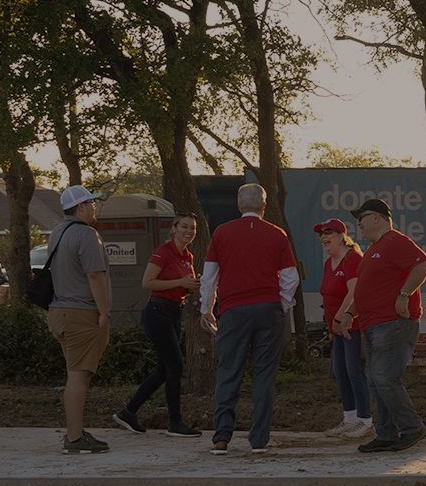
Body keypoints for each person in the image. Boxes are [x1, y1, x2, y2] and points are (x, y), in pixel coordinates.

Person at [199, 182, 298, 456]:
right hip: (268, 309)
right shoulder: (277, 234)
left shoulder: (221, 233)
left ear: (239, 205)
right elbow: (291, 278)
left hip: (233, 311)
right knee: (264, 375)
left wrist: (206, 309)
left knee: (229, 371)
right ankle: (259, 440)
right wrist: (281, 304)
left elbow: (209, 277)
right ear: (263, 206)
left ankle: (221, 438)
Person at [335, 197, 426, 454]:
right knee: (376, 381)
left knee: (384, 377)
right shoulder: (373, 252)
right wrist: (348, 313)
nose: (359, 225)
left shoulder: (395, 241)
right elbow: (367, 289)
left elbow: (423, 264)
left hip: (393, 323)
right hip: (374, 324)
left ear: (377, 217)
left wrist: (404, 294)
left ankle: (412, 428)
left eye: (362, 219)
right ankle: (386, 434)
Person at [116, 214, 202, 437]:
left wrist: (191, 286)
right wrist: (180, 283)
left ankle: (128, 412)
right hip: (157, 312)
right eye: (184, 226)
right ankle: (175, 423)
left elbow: (182, 287)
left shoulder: (188, 257)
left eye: (192, 228)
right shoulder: (163, 252)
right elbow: (148, 283)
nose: (189, 231)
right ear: (173, 228)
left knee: (164, 370)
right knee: (175, 368)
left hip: (174, 312)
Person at [44, 183, 114, 455]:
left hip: (58, 311)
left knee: (74, 373)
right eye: (91, 203)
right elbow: (95, 275)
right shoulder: (86, 234)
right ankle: (74, 438)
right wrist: (105, 311)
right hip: (81, 314)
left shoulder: (58, 232)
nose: (94, 207)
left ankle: (75, 431)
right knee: (78, 376)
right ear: (81, 207)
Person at [312, 219, 373, 441]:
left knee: (354, 370)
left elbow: (354, 292)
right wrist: (331, 326)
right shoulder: (330, 263)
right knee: (341, 371)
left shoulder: (353, 259)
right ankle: (349, 419)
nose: (323, 237)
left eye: (328, 232)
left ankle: (365, 420)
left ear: (341, 235)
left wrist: (340, 318)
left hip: (351, 325)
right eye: (321, 233)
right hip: (335, 328)